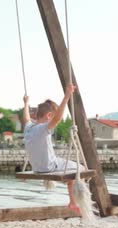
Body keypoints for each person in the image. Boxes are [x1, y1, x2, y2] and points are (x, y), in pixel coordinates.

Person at [22, 84, 81, 215]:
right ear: (49, 116)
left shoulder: (28, 128)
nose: (54, 123)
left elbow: (26, 117)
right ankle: (73, 201)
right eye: (52, 118)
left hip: (37, 168)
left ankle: (72, 200)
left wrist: (26, 104)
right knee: (80, 169)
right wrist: (67, 96)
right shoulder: (43, 128)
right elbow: (58, 118)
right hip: (50, 166)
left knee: (68, 168)